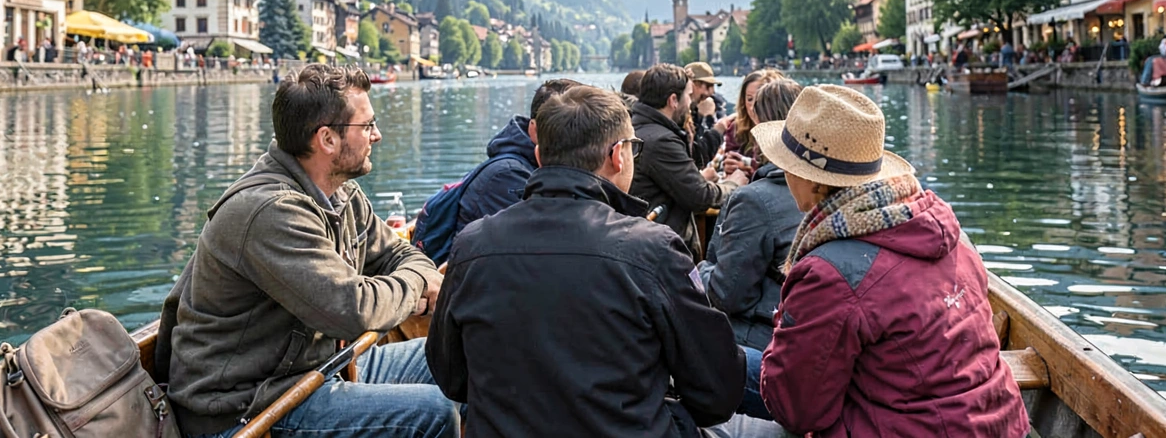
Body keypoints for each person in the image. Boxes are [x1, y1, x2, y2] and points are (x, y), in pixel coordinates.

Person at [427, 85, 787, 438]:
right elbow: (716, 393)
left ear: (539, 156)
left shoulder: (472, 245)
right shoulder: (654, 249)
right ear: (619, 155)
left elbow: (451, 376)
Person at [156, 64, 457, 438]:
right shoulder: (271, 212)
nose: (376, 135)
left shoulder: (338, 191)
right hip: (247, 408)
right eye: (367, 126)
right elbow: (353, 310)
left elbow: (398, 254)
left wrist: (419, 273)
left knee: (463, 351)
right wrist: (418, 285)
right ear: (327, 139)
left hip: (313, 372)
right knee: (433, 414)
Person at [755, 85, 1029, 437]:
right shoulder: (944, 228)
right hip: (1004, 424)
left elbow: (794, 409)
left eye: (785, 165)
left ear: (809, 179)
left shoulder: (829, 273)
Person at [697, 78, 804, 350]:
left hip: (773, 342)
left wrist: (699, 270)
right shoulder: (838, 195)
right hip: (812, 337)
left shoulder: (755, 201)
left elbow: (726, 296)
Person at [631, 64, 747, 256]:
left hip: (648, 241)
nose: (690, 102)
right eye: (688, 95)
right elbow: (700, 196)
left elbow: (687, 163)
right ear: (673, 100)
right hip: (663, 248)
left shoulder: (641, 127)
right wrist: (733, 184)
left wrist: (717, 130)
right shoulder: (661, 140)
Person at [453, 78, 580, 234]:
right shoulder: (507, 176)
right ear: (534, 129)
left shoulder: (534, 167)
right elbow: (542, 238)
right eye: (566, 127)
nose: (576, 137)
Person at [722, 69, 787, 178]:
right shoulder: (736, 128)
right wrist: (730, 166)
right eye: (749, 99)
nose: (753, 107)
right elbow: (729, 159)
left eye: (761, 99)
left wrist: (751, 169)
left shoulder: (788, 133)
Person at [686, 62, 727, 167]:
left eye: (712, 86)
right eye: (708, 86)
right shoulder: (681, 115)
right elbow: (696, 156)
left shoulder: (718, 105)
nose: (710, 92)